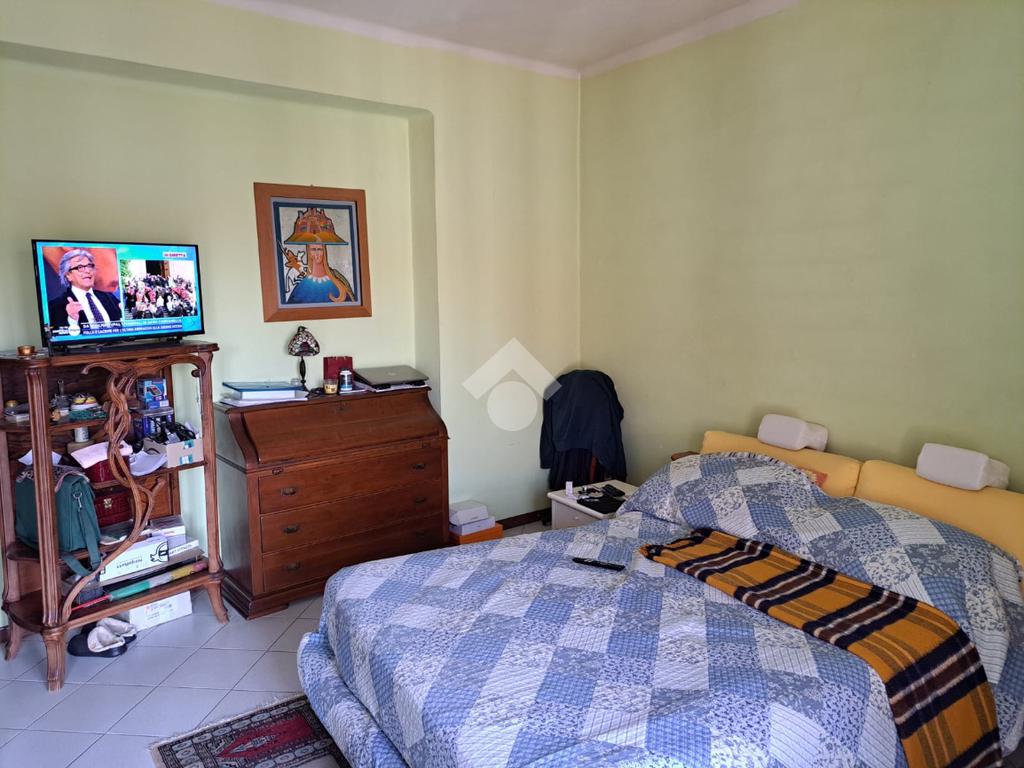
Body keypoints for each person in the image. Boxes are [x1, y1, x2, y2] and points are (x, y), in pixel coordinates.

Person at [47, 249, 123, 331]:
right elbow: (57, 334)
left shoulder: (110, 298)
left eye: (90, 266)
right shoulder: (56, 306)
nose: (87, 271)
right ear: (68, 275)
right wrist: (72, 320)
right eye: (80, 267)